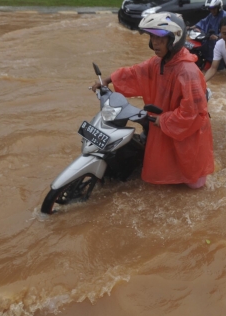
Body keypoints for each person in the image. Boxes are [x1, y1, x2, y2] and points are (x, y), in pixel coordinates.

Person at [91, 12, 214, 189]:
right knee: (166, 173)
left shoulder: (188, 71)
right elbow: (135, 72)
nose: (155, 43)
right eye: (152, 37)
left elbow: (192, 113)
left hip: (186, 133)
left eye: (160, 39)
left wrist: (163, 120)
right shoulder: (158, 62)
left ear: (174, 39)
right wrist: (107, 80)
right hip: (162, 124)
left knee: (192, 183)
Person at [193, 0, 226, 67]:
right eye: (210, 8)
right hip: (213, 43)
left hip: (225, 44)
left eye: (214, 8)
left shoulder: (225, 16)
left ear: (219, 7)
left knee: (221, 66)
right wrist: (193, 27)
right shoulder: (211, 15)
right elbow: (203, 22)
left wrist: (218, 36)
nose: (212, 10)